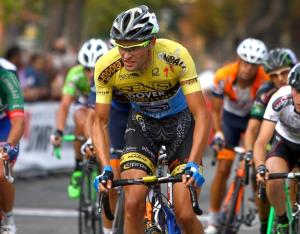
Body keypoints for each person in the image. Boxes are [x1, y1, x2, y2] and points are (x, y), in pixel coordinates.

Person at [92, 5, 211, 234]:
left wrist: (194, 163)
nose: (126, 55)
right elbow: (99, 121)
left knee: (185, 213)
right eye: (121, 47)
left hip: (181, 124)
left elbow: (201, 114)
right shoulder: (106, 66)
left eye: (134, 48)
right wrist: (106, 167)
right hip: (142, 125)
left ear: (152, 42)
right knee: (133, 202)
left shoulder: (175, 56)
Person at [205, 38, 269, 234]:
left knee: (255, 170)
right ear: (238, 59)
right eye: (245, 62)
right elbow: (215, 112)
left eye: (254, 65)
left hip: (254, 119)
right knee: (223, 168)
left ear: (259, 66)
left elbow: (264, 117)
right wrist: (218, 134)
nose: (248, 69)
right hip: (231, 119)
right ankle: (214, 221)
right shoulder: (223, 76)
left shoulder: (265, 81)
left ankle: (263, 218)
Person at [243, 48, 297, 233]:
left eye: (284, 72)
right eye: (274, 75)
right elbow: (255, 132)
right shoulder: (274, 96)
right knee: (271, 175)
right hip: (282, 140)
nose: (281, 78)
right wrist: (258, 164)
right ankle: (279, 220)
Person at [50, 38, 108, 199]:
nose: (91, 74)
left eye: (94, 69)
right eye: (87, 69)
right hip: (84, 104)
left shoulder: (111, 72)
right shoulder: (75, 75)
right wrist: (59, 130)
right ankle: (78, 166)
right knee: (80, 119)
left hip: (103, 103)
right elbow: (64, 105)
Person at [0, 58, 25, 234]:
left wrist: (9, 145)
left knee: (0, 173)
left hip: (4, 126)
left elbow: (18, 121)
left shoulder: (7, 77)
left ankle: (8, 217)